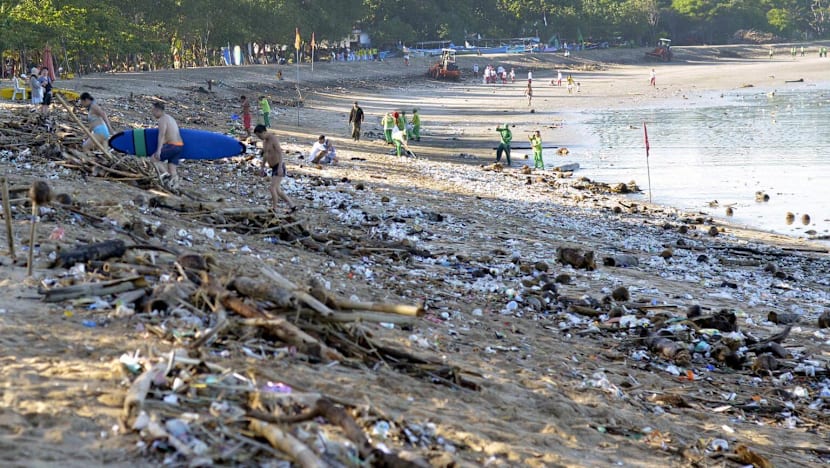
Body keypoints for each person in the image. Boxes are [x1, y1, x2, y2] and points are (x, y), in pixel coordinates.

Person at [254, 124, 297, 214]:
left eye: (260, 135)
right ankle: (292, 206)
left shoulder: (273, 139)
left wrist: (280, 167)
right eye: (258, 136)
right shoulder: (264, 142)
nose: (259, 137)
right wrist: (262, 167)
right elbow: (265, 155)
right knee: (277, 190)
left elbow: (280, 153)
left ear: (264, 132)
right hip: (273, 167)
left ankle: (274, 208)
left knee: (272, 188)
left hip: (279, 166)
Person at [150, 102, 185, 189]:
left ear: (158, 110)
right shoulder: (170, 118)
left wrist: (158, 151)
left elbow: (161, 135)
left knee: (153, 159)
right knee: (172, 169)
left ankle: (167, 177)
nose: (152, 113)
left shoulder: (162, 120)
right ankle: (176, 186)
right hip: (179, 146)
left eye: (153, 110)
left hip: (172, 145)